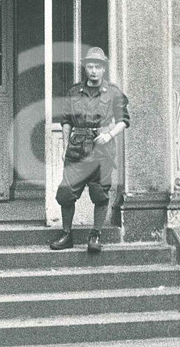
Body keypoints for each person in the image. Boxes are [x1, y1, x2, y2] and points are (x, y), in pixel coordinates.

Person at [51, 46, 129, 254]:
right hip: (77, 147)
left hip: (101, 147)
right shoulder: (74, 92)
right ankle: (67, 234)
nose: (94, 70)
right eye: (90, 66)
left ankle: (95, 235)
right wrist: (65, 145)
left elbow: (123, 121)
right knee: (67, 192)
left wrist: (109, 135)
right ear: (85, 69)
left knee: (100, 193)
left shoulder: (112, 92)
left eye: (98, 66)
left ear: (103, 69)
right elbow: (66, 120)